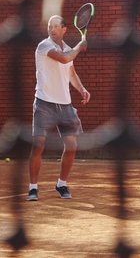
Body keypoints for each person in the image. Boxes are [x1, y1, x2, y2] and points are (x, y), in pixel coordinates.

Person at [27, 15, 90, 201]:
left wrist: (81, 89)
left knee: (71, 147)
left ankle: (61, 184)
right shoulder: (44, 46)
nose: (52, 29)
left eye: (56, 26)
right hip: (44, 103)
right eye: (49, 26)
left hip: (66, 106)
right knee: (38, 146)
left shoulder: (69, 50)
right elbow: (63, 59)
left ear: (64, 29)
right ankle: (33, 188)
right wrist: (80, 46)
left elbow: (70, 72)